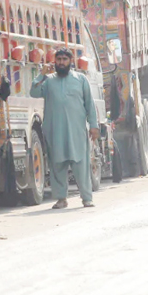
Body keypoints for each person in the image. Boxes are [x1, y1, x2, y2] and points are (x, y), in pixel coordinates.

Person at [29, 49, 99, 209]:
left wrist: (93, 126)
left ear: (70, 61)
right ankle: (61, 199)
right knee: (57, 165)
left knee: (81, 164)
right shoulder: (48, 81)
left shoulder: (80, 79)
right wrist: (41, 75)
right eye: (58, 59)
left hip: (76, 131)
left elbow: (89, 104)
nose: (61, 62)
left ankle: (87, 198)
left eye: (64, 59)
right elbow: (33, 93)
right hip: (55, 131)